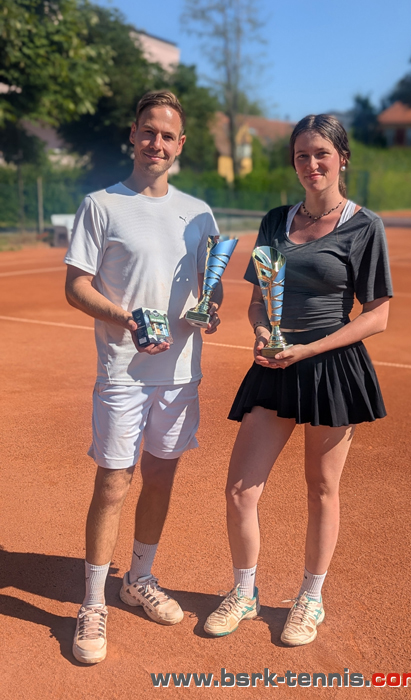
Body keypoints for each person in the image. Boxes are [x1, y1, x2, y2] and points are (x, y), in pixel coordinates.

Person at [204, 114, 393, 646]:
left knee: (322, 488)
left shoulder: (365, 226)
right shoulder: (275, 222)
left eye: (321, 153)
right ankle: (245, 592)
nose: (311, 164)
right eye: (302, 155)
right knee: (240, 489)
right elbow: (257, 302)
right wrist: (262, 331)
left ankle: (310, 597)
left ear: (342, 158)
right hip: (275, 366)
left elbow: (377, 315)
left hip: (331, 367)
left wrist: (310, 348)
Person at [64, 91, 222, 664]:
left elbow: (211, 288)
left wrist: (210, 309)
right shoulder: (101, 204)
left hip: (180, 374)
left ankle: (138, 579)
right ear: (133, 135)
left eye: (168, 136)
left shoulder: (199, 213)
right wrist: (126, 318)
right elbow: (76, 286)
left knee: (160, 477)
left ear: (181, 145)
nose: (157, 143)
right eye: (148, 131)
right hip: (122, 372)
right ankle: (92, 603)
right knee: (113, 482)